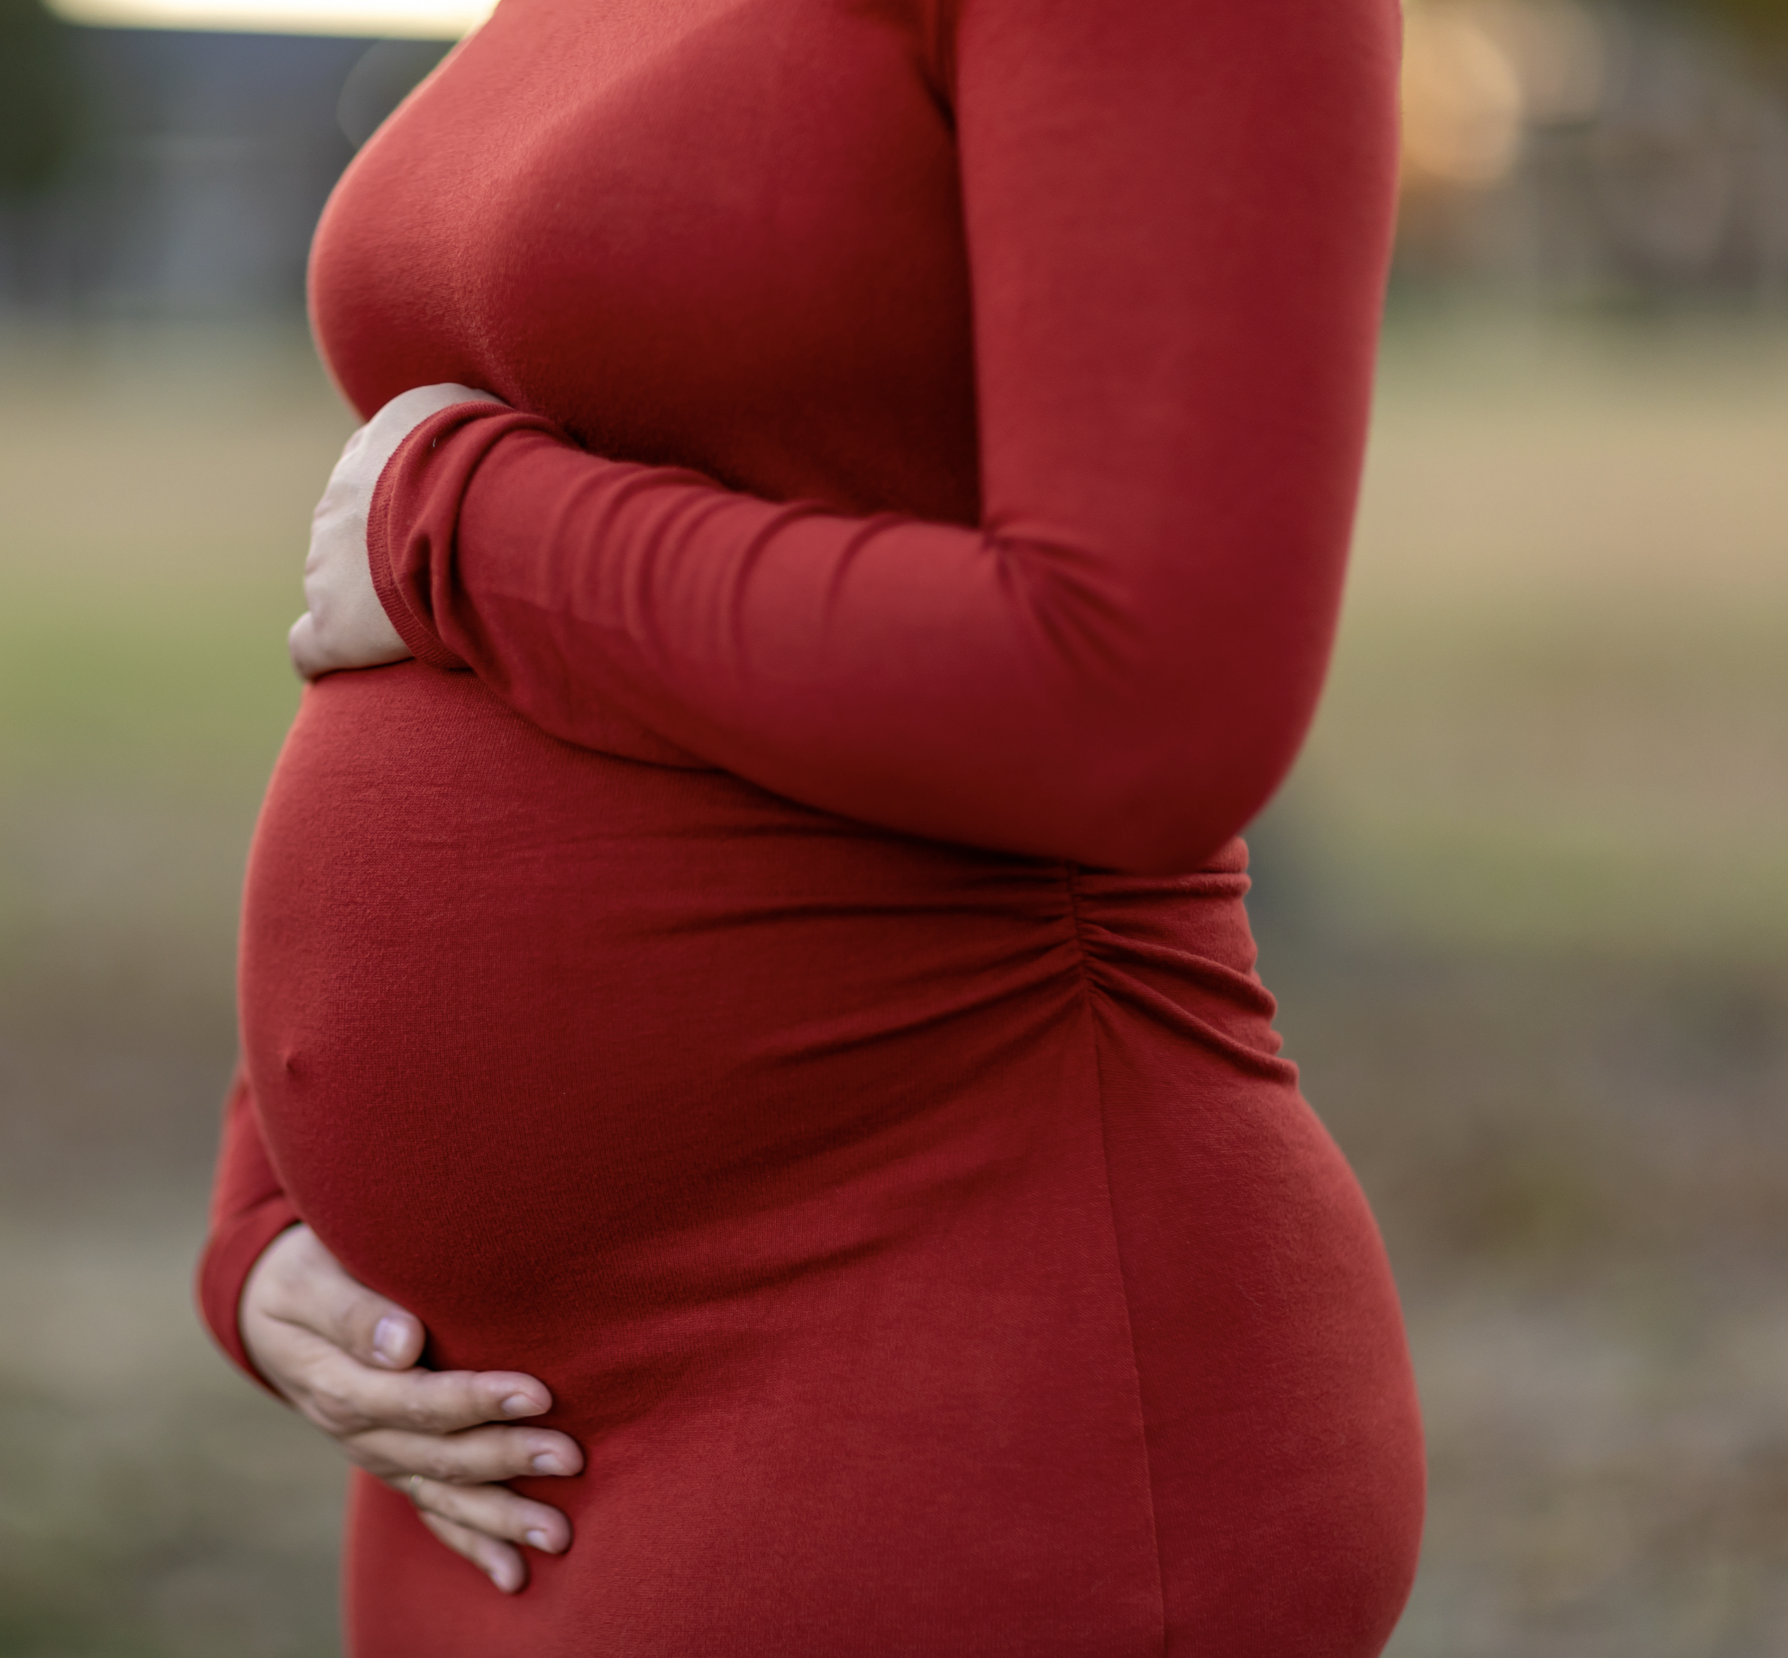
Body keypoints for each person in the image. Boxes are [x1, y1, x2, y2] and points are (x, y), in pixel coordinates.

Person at [198, 0, 1425, 1648]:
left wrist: (468, 525)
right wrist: (272, 1210)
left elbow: (1142, 692)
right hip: (486, 1467)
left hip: (950, 1379)